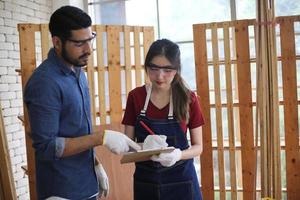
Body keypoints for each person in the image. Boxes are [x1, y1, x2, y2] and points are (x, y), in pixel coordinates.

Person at [24, 6, 140, 200]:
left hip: (85, 184)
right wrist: (100, 137)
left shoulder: (77, 72)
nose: (88, 50)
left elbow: (75, 130)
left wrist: (94, 163)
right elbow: (47, 147)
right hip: (61, 192)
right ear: (57, 42)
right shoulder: (45, 83)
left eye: (90, 40)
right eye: (80, 43)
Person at [122, 39, 204, 200]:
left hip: (182, 182)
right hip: (147, 184)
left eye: (167, 70)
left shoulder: (189, 98)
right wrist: (144, 146)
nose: (160, 76)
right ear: (146, 67)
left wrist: (178, 154)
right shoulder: (136, 97)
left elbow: (198, 147)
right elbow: (127, 145)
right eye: (154, 68)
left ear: (176, 70)